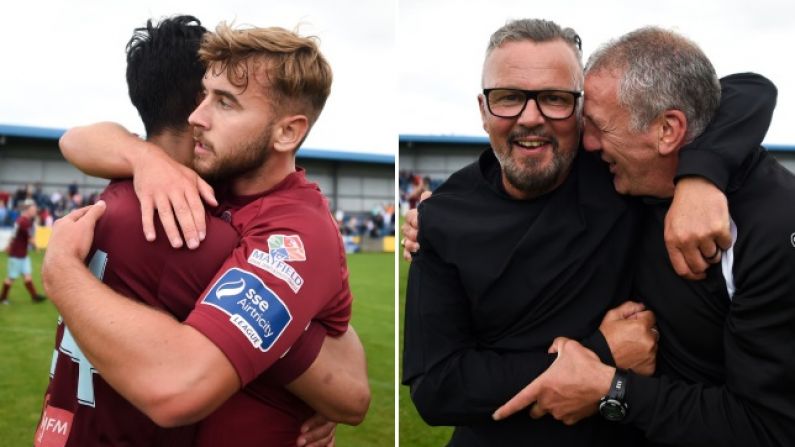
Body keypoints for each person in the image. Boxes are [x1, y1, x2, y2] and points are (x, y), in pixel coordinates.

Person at [400, 19, 774, 446]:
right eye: (508, 98)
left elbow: (748, 91)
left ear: (580, 109)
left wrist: (700, 178)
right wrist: (599, 354)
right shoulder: (442, 219)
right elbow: (438, 386)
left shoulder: (614, 169)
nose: (530, 118)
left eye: (554, 99)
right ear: (483, 109)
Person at [37, 16, 368, 447]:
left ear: (288, 131)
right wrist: (145, 159)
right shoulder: (204, 196)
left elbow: (351, 392)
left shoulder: (290, 229)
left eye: (224, 102)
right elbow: (75, 140)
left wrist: (61, 269)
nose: (198, 117)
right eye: (204, 97)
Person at [493, 27, 795, 447]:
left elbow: (767, 428)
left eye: (597, 126)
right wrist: (442, 214)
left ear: (667, 131)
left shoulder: (771, 231)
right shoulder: (642, 171)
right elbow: (750, 89)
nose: (589, 144)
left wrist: (613, 390)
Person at [1, 201, 45, 304]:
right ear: (28, 210)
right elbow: (30, 239)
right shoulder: (25, 222)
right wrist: (38, 248)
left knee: (27, 276)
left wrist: (9, 245)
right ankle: (3, 298)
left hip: (22, 254)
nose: (35, 212)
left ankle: (34, 297)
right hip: (17, 255)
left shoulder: (20, 220)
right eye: (33, 210)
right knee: (11, 278)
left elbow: (13, 236)